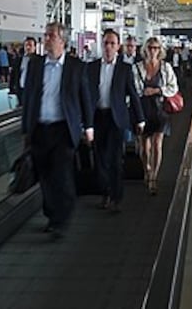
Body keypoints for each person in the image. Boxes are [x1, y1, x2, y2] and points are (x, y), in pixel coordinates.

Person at [20, 22, 94, 240]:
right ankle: (52, 214)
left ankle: (61, 218)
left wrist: (88, 126)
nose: (46, 39)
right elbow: (29, 98)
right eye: (45, 35)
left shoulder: (76, 66)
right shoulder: (36, 65)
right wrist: (26, 129)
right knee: (44, 176)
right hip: (40, 129)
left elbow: (85, 98)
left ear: (62, 40)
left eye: (51, 35)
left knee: (61, 174)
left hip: (63, 129)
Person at [87, 30, 145, 212]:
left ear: (118, 47)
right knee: (100, 159)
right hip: (97, 117)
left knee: (114, 158)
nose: (108, 47)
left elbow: (133, 95)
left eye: (112, 43)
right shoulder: (91, 67)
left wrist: (140, 119)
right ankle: (104, 192)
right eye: (105, 43)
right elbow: (86, 95)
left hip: (116, 118)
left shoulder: (125, 69)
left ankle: (116, 197)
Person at [134, 37, 179, 196]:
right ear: (145, 49)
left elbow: (173, 87)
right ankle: (147, 167)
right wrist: (142, 92)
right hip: (142, 109)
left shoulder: (166, 68)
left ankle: (154, 176)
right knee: (143, 145)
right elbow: (133, 88)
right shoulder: (138, 68)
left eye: (156, 48)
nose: (153, 51)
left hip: (160, 109)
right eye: (150, 48)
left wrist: (157, 91)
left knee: (157, 143)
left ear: (160, 50)